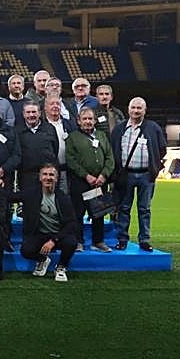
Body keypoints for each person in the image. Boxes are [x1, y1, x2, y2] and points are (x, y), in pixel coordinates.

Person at [110, 97, 167, 252]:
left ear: (144, 110)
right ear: (128, 109)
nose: (136, 111)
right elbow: (113, 149)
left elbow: (162, 148)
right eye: (133, 107)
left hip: (146, 175)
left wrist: (154, 168)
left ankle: (144, 240)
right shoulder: (120, 128)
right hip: (125, 175)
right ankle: (122, 239)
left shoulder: (153, 128)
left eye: (139, 108)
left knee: (144, 209)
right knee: (124, 208)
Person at [15, 164, 77, 282]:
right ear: (40, 177)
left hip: (58, 235)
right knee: (26, 250)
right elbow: (10, 197)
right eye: (45, 174)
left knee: (71, 242)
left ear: (57, 178)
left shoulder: (63, 198)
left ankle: (61, 267)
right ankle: (43, 260)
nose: (48, 178)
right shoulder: (31, 194)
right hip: (39, 234)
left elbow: (71, 223)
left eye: (51, 175)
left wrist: (54, 240)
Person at [65, 107, 114, 251]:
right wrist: (86, 176)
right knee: (78, 213)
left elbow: (110, 158)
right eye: (84, 119)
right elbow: (70, 160)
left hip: (99, 183)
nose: (87, 121)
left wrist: (103, 175)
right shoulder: (73, 137)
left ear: (95, 121)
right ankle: (78, 241)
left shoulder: (102, 136)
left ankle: (98, 241)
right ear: (79, 121)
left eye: (90, 119)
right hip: (80, 182)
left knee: (98, 213)